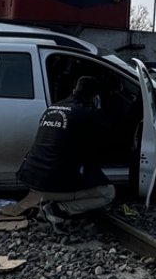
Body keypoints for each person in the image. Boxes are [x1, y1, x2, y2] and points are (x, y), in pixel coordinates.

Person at [17, 75, 115, 228]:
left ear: (74, 90)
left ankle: (52, 199)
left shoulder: (52, 108)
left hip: (31, 180)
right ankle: (59, 209)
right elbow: (101, 141)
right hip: (50, 186)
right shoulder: (86, 114)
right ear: (94, 98)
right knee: (108, 192)